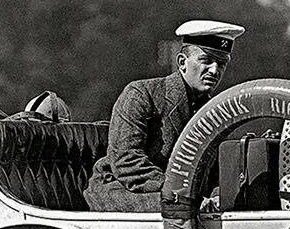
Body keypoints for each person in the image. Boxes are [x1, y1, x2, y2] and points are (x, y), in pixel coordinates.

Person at [84, 20, 244, 212]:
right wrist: (183, 193)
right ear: (182, 62)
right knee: (183, 208)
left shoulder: (212, 111)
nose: (214, 70)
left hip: (178, 197)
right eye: (206, 60)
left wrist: (219, 195)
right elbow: (126, 160)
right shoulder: (141, 93)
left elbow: (215, 168)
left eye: (222, 64)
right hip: (121, 190)